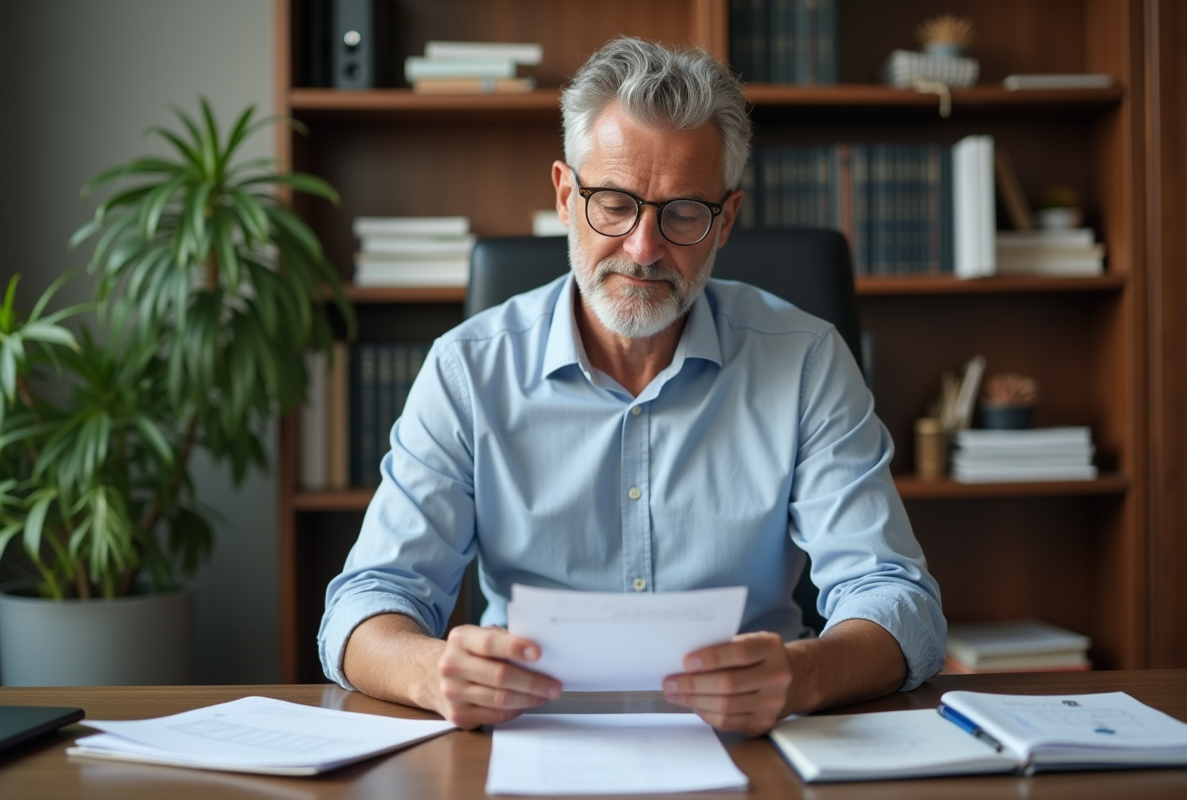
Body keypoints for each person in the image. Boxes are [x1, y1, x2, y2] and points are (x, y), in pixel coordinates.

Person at [320, 36, 945, 737]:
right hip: (525, 740)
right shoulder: (468, 369)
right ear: (565, 195)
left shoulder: (806, 362)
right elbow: (365, 603)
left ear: (725, 222)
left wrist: (804, 676)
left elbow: (899, 600)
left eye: (682, 213)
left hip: (754, 744)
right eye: (614, 204)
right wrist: (430, 672)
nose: (644, 249)